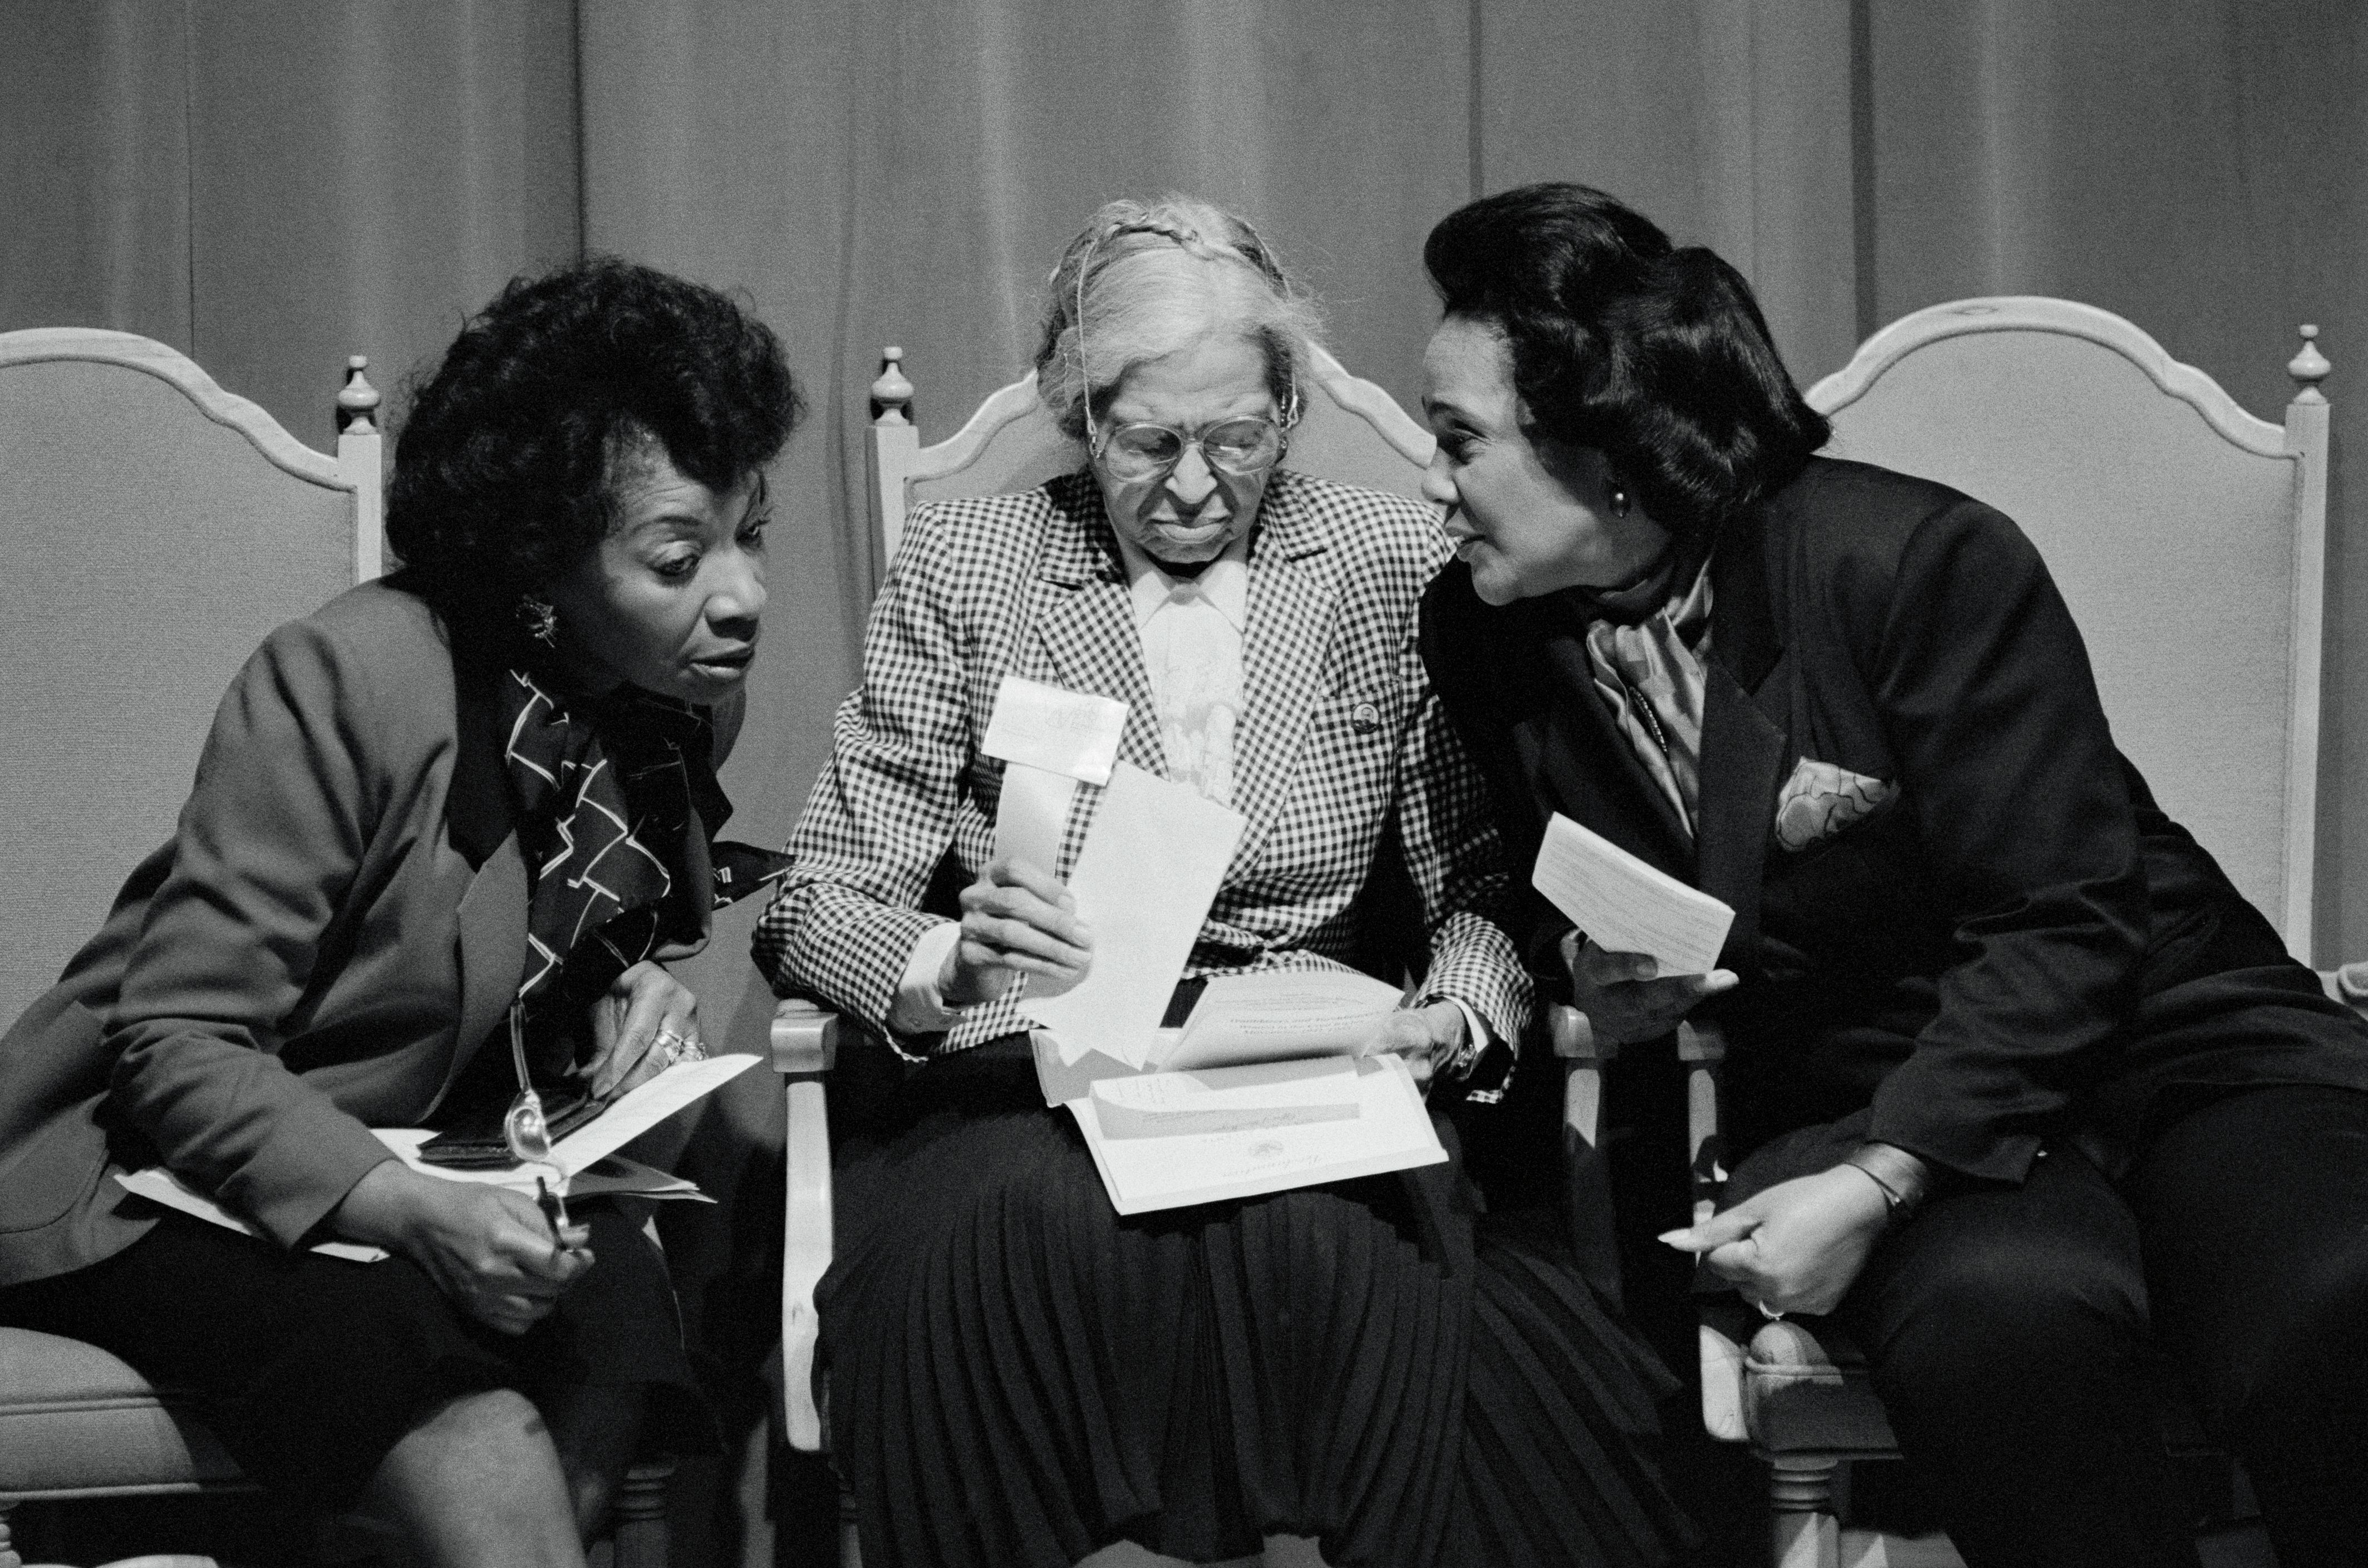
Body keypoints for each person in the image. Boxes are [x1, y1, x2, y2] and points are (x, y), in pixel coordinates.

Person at [1413, 180, 2368, 1568]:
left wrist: (1883, 1180)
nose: (1431, 481)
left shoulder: (1910, 559)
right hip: (1855, 1071)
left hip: (2168, 1038)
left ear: (1604, 445)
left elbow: (2069, 913)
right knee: (2008, 1321)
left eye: (1457, 438)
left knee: (2332, 1287)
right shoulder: (1485, 628)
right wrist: (1599, 977)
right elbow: (1545, 888)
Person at [757, 195, 1694, 1568]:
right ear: (1083, 416)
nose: (1196, 486)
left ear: (1289, 408)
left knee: (1461, 1333)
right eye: (1150, 445)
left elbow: (1481, 879)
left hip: (1315, 1080)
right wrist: (941, 963)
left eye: (1239, 439)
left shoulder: (1388, 562)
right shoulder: (973, 565)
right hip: (1043, 1084)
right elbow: (818, 891)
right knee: (995, 1262)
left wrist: (1461, 1013)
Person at [0, 258, 800, 1567]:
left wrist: (630, 992)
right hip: (153, 1175)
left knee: (623, 1330)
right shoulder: (350, 677)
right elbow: (177, 1045)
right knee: (474, 1428)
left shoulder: (679, 689)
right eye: (679, 554)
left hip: (441, 1150)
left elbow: (574, 922)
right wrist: (402, 1208)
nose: (742, 593)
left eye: (746, 532)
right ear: (542, 555)